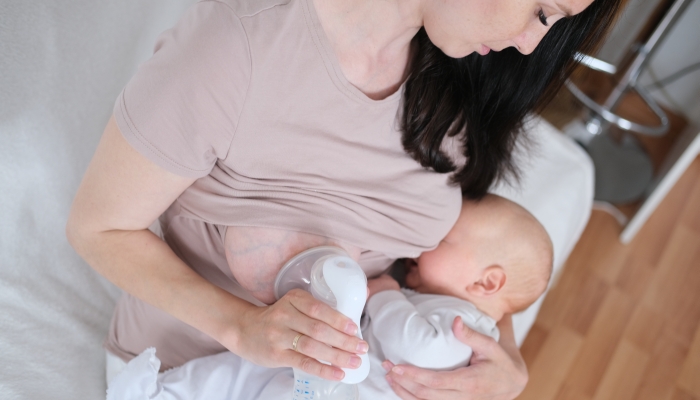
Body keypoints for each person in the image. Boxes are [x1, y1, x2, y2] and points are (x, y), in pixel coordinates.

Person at [66, 0, 620, 397]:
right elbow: (98, 229)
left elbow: (477, 255)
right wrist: (243, 328)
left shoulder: (462, 79)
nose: (530, 44)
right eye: (543, 13)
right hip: (195, 370)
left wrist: (504, 351)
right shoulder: (238, 47)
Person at [105, 194, 553, 400]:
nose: (423, 246)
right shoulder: (462, 309)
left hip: (352, 389)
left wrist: (386, 296)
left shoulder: (464, 326)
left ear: (488, 283)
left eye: (445, 241)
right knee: (243, 376)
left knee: (251, 379)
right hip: (338, 376)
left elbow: (416, 344)